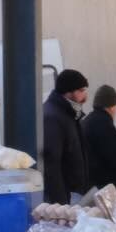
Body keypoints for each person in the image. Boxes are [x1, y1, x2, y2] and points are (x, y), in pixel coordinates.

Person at [41, 68, 89, 203]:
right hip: (64, 196)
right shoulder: (52, 117)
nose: (84, 95)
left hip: (73, 192)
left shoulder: (68, 114)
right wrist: (61, 203)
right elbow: (51, 163)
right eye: (81, 90)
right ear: (68, 92)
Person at [81, 84, 116, 192]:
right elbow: (115, 155)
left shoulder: (89, 120)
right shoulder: (103, 124)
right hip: (101, 184)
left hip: (89, 181)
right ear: (110, 106)